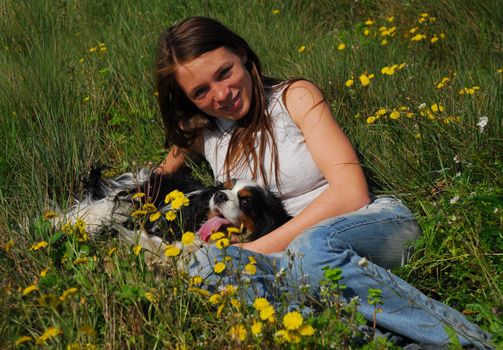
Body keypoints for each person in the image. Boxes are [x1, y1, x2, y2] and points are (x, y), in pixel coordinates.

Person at [154, 16, 492, 348]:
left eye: (224, 72)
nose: (221, 94)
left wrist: (255, 250)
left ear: (241, 53)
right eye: (201, 91)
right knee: (207, 265)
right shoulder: (205, 132)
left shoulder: (293, 98)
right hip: (287, 257)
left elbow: (351, 193)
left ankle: (466, 342)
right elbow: (158, 177)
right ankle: (378, 342)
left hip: (367, 225)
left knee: (310, 249)